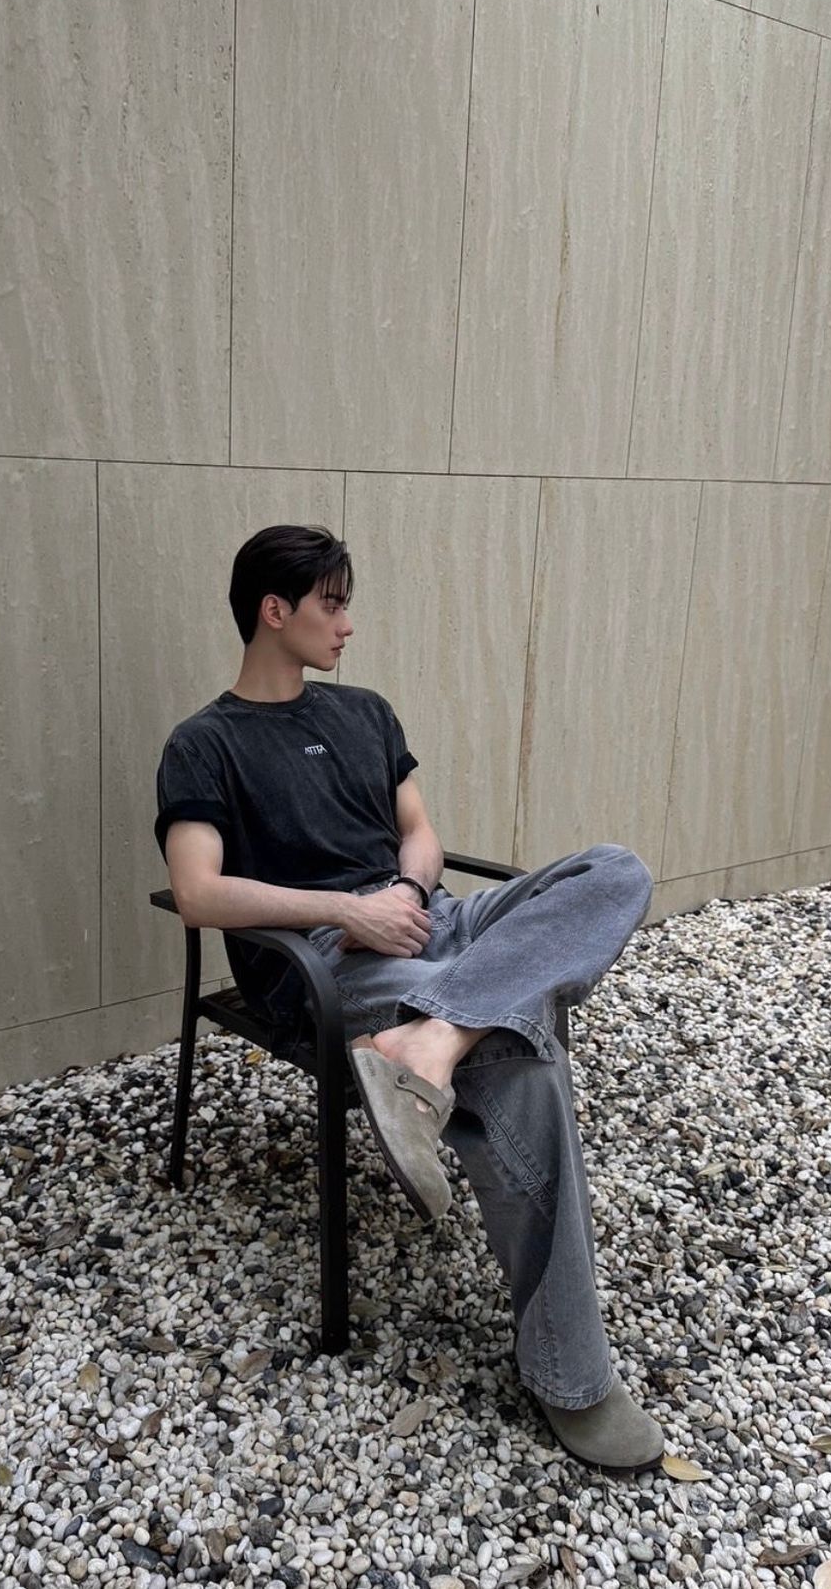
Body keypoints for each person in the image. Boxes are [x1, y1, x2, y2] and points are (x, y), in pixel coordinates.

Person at [154, 524, 664, 1473]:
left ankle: (429, 1044)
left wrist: (407, 892)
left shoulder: (366, 712)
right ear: (275, 610)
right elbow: (197, 891)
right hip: (327, 958)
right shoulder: (205, 744)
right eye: (332, 604)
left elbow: (420, 832)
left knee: (614, 869)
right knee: (522, 1053)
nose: (348, 623)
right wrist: (349, 911)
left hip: (431, 919)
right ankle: (573, 1377)